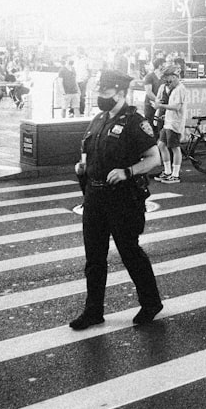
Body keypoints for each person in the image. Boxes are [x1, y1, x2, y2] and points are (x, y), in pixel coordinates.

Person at [70, 69, 164, 330]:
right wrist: (83, 165)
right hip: (95, 197)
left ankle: (150, 302)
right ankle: (93, 310)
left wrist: (128, 172)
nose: (101, 96)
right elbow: (87, 150)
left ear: (121, 93)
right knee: (94, 257)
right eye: (99, 91)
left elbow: (155, 159)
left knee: (130, 252)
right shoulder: (99, 119)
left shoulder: (135, 122)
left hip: (123, 199)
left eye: (106, 92)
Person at [153, 64, 187, 184]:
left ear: (174, 76)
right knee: (161, 145)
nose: (166, 82)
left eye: (168, 79)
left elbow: (176, 107)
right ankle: (167, 171)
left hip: (175, 123)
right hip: (168, 122)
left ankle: (175, 174)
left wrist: (161, 106)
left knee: (175, 148)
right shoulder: (172, 89)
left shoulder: (180, 89)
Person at [142, 57, 164, 134]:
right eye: (164, 64)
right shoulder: (149, 77)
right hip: (150, 105)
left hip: (160, 106)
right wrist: (156, 100)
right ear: (160, 65)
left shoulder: (164, 77)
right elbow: (149, 92)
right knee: (150, 126)